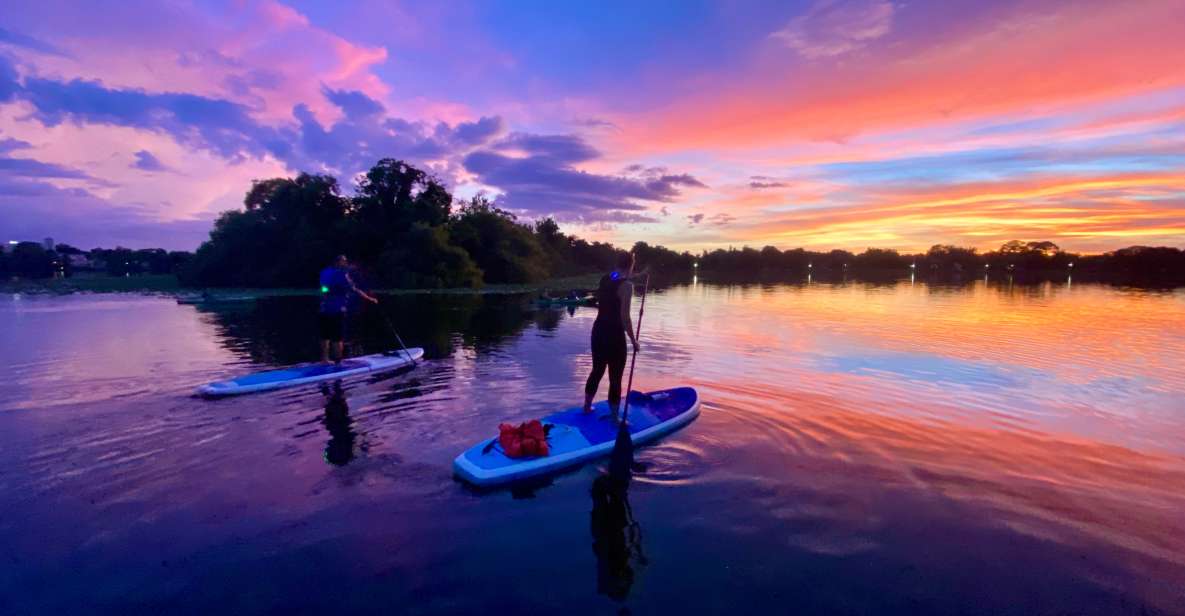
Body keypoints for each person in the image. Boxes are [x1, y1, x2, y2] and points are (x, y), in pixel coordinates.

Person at [583, 252, 640, 418]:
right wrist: (633, 340)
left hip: (598, 331)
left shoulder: (606, 278)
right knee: (615, 377)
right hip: (614, 335)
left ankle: (587, 407)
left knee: (597, 370)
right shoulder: (627, 286)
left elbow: (615, 275)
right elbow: (625, 318)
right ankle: (615, 418)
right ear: (631, 264)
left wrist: (628, 273)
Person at [319, 255, 378, 363]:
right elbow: (355, 289)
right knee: (337, 337)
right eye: (344, 261)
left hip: (324, 309)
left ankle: (325, 359)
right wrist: (370, 299)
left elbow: (323, 288)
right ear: (338, 262)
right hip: (337, 310)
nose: (346, 263)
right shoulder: (342, 274)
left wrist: (327, 291)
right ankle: (338, 362)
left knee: (325, 335)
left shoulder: (325, 272)